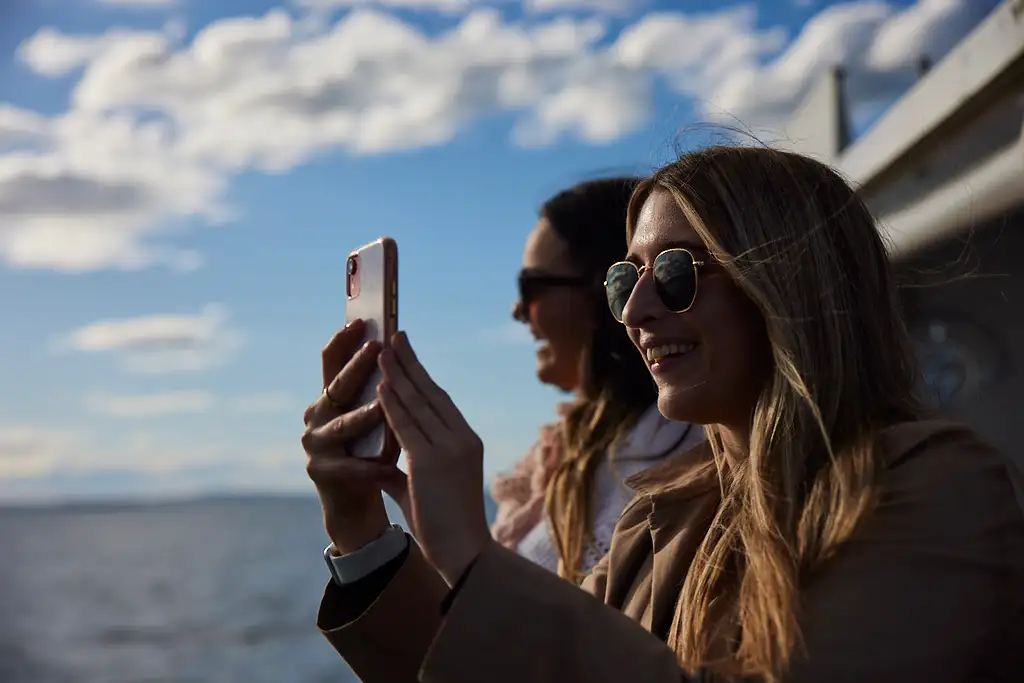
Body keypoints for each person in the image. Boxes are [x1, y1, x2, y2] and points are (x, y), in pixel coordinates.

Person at [301, 145, 1024, 683]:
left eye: (676, 273)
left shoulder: (936, 488)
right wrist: (362, 532)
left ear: (786, 288)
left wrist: (470, 552)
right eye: (627, 279)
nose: (636, 312)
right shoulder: (662, 521)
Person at [492, 177, 701, 579]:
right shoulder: (569, 451)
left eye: (532, 287)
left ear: (601, 293)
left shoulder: (660, 462)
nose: (519, 311)